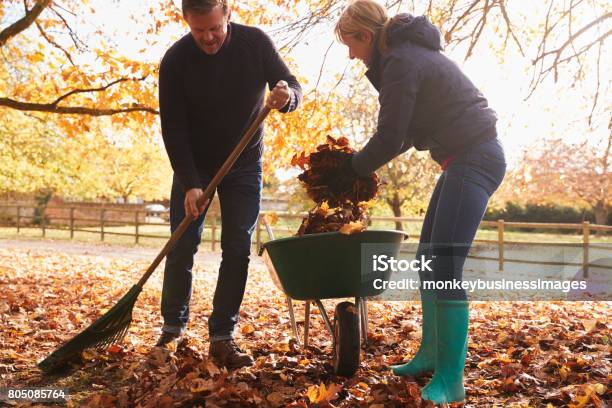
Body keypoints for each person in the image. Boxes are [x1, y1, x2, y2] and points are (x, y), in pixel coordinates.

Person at [332, 0, 506, 404]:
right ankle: (430, 354)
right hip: (461, 158)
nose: (351, 53)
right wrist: (359, 162)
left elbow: (393, 136)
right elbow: (407, 132)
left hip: (475, 157)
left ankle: (451, 378)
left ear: (367, 36)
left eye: (351, 44)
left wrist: (355, 168)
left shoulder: (402, 61)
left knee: (444, 265)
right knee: (429, 257)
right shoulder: (405, 57)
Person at [158, 0, 302, 369]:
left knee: (237, 247)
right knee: (182, 244)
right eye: (198, 31)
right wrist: (190, 182)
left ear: (228, 14)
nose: (207, 37)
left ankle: (222, 336)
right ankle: (173, 326)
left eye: (214, 29)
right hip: (196, 165)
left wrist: (287, 99)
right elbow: (172, 128)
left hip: (244, 164)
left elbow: (293, 87)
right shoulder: (175, 61)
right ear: (186, 22)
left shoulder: (255, 43)